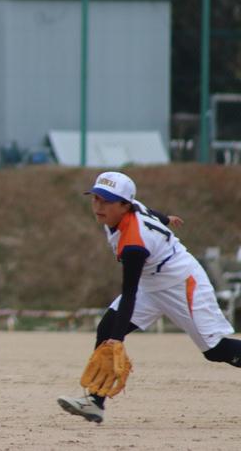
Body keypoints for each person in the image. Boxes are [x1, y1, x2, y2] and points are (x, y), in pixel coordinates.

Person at [58, 171, 241, 424]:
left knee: (216, 350)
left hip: (181, 283)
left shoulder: (133, 243)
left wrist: (118, 339)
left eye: (107, 201)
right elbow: (149, 211)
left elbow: (130, 293)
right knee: (106, 327)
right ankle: (95, 403)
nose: (99, 206)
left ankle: (96, 396)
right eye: (96, 198)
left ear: (125, 206)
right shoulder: (124, 212)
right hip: (151, 282)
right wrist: (167, 218)